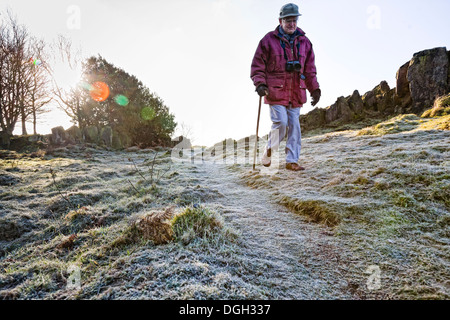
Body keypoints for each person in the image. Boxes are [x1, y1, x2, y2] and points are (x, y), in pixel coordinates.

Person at [251, 3, 321, 171]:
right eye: (288, 20)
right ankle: (269, 150)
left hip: (296, 92)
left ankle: (292, 161)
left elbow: (310, 69)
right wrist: (260, 83)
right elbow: (257, 65)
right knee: (281, 123)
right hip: (275, 91)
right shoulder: (268, 40)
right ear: (280, 20)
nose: (292, 24)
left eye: (294, 20)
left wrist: (315, 89)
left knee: (295, 126)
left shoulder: (305, 42)